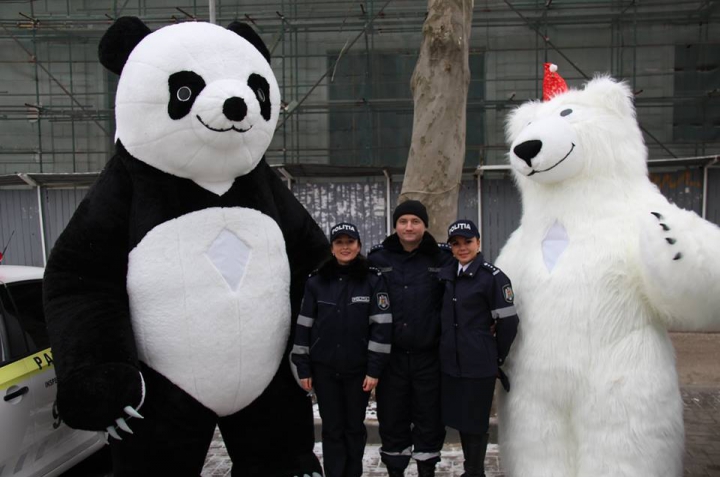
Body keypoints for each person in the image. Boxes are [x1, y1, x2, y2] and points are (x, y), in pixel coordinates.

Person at [291, 222, 392, 477]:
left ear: (359, 246)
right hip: (324, 370)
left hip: (358, 371)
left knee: (354, 428)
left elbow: (381, 327)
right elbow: (304, 325)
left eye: (350, 242)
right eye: (339, 242)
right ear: (332, 248)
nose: (345, 247)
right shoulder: (316, 281)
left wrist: (374, 369)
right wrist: (303, 366)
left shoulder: (372, 279)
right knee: (332, 429)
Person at [368, 200, 454, 477]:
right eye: (403, 221)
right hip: (391, 359)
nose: (409, 227)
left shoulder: (442, 258)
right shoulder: (377, 259)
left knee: (430, 419)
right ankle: (395, 470)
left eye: (415, 221)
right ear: (395, 225)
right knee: (392, 420)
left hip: (428, 358)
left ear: (424, 225)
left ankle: (426, 470)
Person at [438, 219, 519, 477]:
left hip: (478, 362)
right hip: (452, 362)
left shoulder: (492, 278)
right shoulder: (448, 273)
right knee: (463, 419)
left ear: (478, 243)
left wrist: (496, 355)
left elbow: (508, 321)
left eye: (468, 242)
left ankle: (475, 471)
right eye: (456, 244)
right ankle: (469, 469)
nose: (462, 248)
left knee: (476, 421)